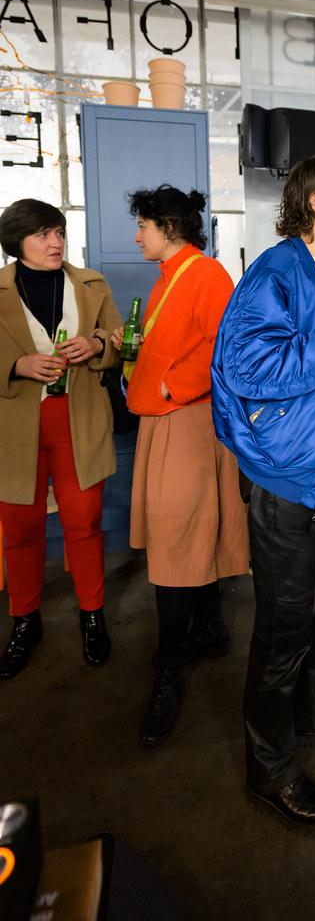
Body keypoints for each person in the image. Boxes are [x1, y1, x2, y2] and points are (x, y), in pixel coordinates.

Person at [211, 155, 315, 836]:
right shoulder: (274, 272)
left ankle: (312, 708)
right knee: (285, 626)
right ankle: (270, 767)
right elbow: (252, 370)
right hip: (289, 476)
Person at [112, 185, 248, 749]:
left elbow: (227, 346)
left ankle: (168, 668)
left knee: (175, 540)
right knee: (189, 532)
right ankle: (210, 628)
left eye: (142, 226)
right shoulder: (171, 274)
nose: (136, 236)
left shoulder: (206, 273)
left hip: (187, 420)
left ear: (168, 227)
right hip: (169, 418)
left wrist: (169, 385)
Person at [0, 198, 122, 678]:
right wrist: (16, 365)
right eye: (43, 235)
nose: (55, 243)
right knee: (20, 529)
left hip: (79, 419)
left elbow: (118, 339)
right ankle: (25, 621)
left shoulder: (91, 283)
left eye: (59, 232)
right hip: (14, 427)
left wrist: (95, 344)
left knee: (84, 521)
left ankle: (93, 616)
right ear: (17, 242)